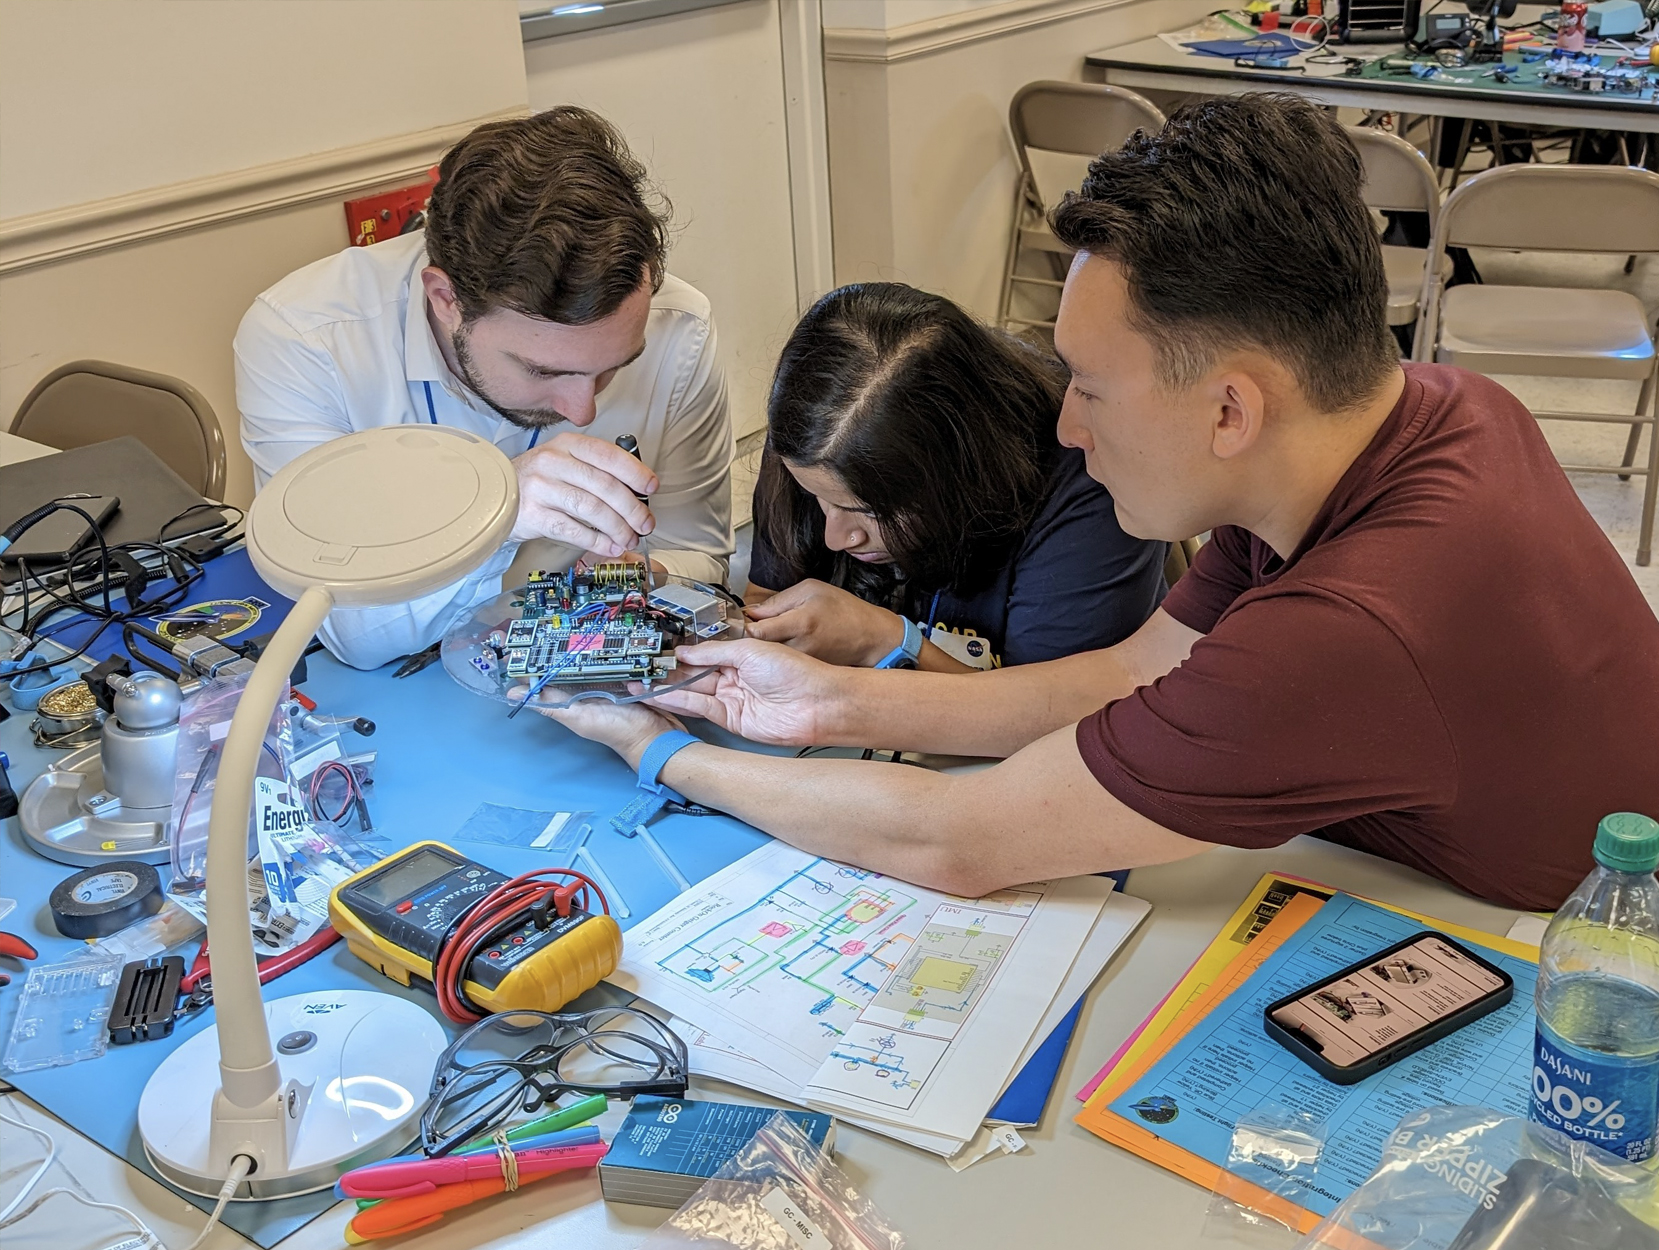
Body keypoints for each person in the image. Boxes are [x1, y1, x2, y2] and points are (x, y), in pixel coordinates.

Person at [542, 93, 1659, 913]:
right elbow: (1130, 674)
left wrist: (659, 748)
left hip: (1552, 957)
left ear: (1230, 409)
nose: (1066, 426)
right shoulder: (1429, 404)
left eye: (1089, 385)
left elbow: (958, 840)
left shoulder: (1342, 634)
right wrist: (822, 703)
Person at [234, 107, 733, 669]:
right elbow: (345, 629)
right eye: (543, 371)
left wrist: (641, 579)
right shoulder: (305, 340)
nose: (583, 409)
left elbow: (700, 553)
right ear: (446, 300)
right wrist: (494, 518)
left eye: (616, 367)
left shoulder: (679, 329)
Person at [744, 283, 1166, 672]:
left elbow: (1049, 719)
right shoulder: (816, 442)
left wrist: (884, 641)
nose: (837, 537)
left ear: (960, 470)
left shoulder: (1089, 487)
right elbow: (765, 602)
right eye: (815, 496)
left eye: (869, 511)